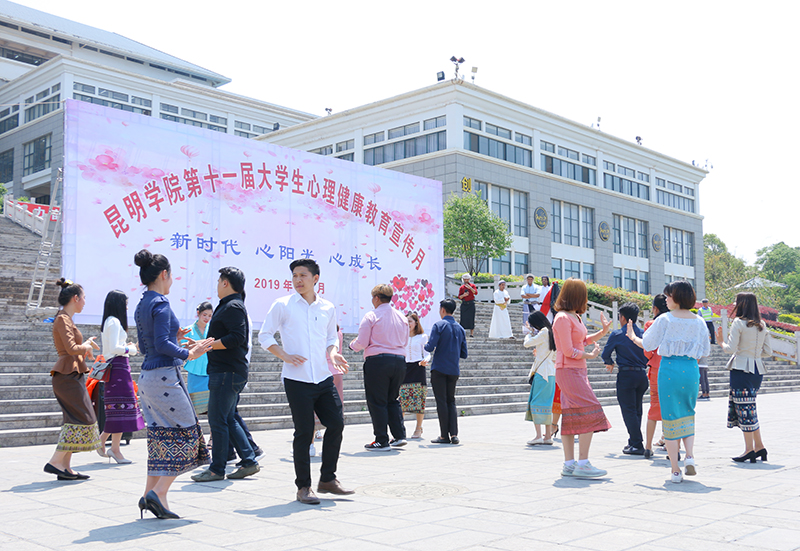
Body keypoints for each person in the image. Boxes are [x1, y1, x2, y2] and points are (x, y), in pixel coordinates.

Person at [260, 258, 352, 504]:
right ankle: (303, 487)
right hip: (297, 379)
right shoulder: (283, 305)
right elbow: (264, 335)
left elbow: (331, 337)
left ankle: (328, 479)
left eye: (303, 275)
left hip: (323, 376)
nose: (298, 280)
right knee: (304, 432)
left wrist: (333, 353)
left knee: (336, 424)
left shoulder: (327, 307)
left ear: (315, 279)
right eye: (294, 276)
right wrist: (284, 355)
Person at [134, 249, 212, 519]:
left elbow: (145, 345)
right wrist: (190, 352)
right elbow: (160, 345)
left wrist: (174, 338)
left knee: (159, 436)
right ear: (164, 274)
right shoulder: (162, 303)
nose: (172, 280)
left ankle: (149, 494)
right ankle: (159, 492)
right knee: (188, 433)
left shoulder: (142, 304)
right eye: (171, 275)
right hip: (165, 377)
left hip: (147, 377)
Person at [627, 280, 711, 483]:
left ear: (677, 297)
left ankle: (675, 470)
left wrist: (632, 336)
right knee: (688, 413)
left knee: (670, 418)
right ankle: (689, 455)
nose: (666, 299)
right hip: (690, 369)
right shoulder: (699, 321)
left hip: (669, 369)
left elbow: (648, 344)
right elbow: (705, 351)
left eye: (668, 295)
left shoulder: (665, 319)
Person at [192, 267, 260, 482]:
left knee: (217, 419)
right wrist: (203, 344)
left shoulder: (233, 306)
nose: (217, 286)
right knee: (227, 418)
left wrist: (208, 346)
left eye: (218, 281)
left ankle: (217, 469)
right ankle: (248, 461)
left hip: (227, 372)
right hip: (226, 371)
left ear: (225, 283)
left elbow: (237, 338)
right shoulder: (229, 305)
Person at [551, 278, 612, 478]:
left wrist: (603, 332)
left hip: (576, 370)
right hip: (568, 370)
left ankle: (570, 464)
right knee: (590, 409)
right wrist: (590, 356)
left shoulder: (574, 317)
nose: (585, 300)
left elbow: (582, 340)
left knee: (571, 414)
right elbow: (568, 350)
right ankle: (583, 463)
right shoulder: (562, 318)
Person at [43, 278, 103, 481]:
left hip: (71, 374)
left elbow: (73, 348)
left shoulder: (66, 319)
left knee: (74, 420)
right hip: (67, 376)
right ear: (76, 298)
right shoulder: (62, 319)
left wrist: (85, 345)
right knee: (84, 418)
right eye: (83, 298)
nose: (85, 302)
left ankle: (65, 467)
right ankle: (55, 461)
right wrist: (85, 346)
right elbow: (70, 349)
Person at [350, 284, 410, 451]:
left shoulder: (371, 316)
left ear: (376, 298)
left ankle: (381, 439)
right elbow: (405, 341)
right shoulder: (402, 317)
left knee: (377, 401)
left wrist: (352, 346)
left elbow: (362, 342)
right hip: (399, 361)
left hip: (378, 361)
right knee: (392, 399)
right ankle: (399, 436)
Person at [716, 292, 772, 463]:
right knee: (750, 408)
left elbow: (730, 349)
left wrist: (721, 342)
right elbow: (768, 351)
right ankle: (759, 446)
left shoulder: (738, 323)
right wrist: (754, 355)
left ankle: (749, 450)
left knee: (745, 410)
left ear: (742, 305)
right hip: (757, 370)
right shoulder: (762, 324)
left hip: (741, 370)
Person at [97, 290, 145, 464]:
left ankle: (109, 445)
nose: (126, 307)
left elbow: (114, 346)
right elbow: (115, 348)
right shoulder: (114, 322)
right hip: (118, 368)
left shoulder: (110, 321)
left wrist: (126, 346)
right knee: (120, 409)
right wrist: (131, 349)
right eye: (125, 304)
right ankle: (109, 445)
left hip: (118, 368)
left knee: (120, 410)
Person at [602, 303, 649, 456]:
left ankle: (637, 443)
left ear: (622, 317)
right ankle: (633, 441)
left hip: (626, 375)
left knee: (628, 410)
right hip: (642, 375)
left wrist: (609, 362)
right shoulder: (643, 334)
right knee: (637, 410)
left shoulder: (617, 334)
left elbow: (605, 354)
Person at [424, 299, 468, 444]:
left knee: (441, 401)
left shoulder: (439, 325)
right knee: (451, 401)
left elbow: (430, 347)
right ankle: (454, 434)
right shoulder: (460, 328)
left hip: (439, 368)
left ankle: (444, 435)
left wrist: (424, 344)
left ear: (442, 309)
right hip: (454, 369)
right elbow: (464, 354)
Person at [524, 311, 557, 445]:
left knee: (535, 402)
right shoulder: (552, 332)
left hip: (542, 373)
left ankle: (538, 436)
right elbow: (554, 356)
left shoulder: (543, 332)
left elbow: (527, 343)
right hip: (551, 372)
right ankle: (547, 436)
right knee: (547, 404)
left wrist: (529, 333)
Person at [642, 294, 668, 459]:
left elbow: (647, 350)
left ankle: (648, 446)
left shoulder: (651, 324)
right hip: (673, 368)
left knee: (654, 406)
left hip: (657, 369)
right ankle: (669, 441)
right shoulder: (674, 322)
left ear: (655, 308)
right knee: (672, 406)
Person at [401, 312, 429, 440]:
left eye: (410, 321)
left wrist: (425, 361)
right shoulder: (401, 336)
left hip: (418, 368)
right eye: (406, 321)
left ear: (416, 323)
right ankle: (400, 428)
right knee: (402, 399)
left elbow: (427, 353)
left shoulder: (422, 337)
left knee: (419, 399)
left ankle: (418, 428)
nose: (408, 324)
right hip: (404, 368)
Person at [184, 302, 213, 416]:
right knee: (194, 407)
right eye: (204, 315)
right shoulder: (188, 330)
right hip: (194, 369)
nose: (207, 318)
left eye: (209, 316)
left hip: (210, 369)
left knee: (211, 408)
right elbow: (182, 349)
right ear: (198, 313)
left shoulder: (213, 329)